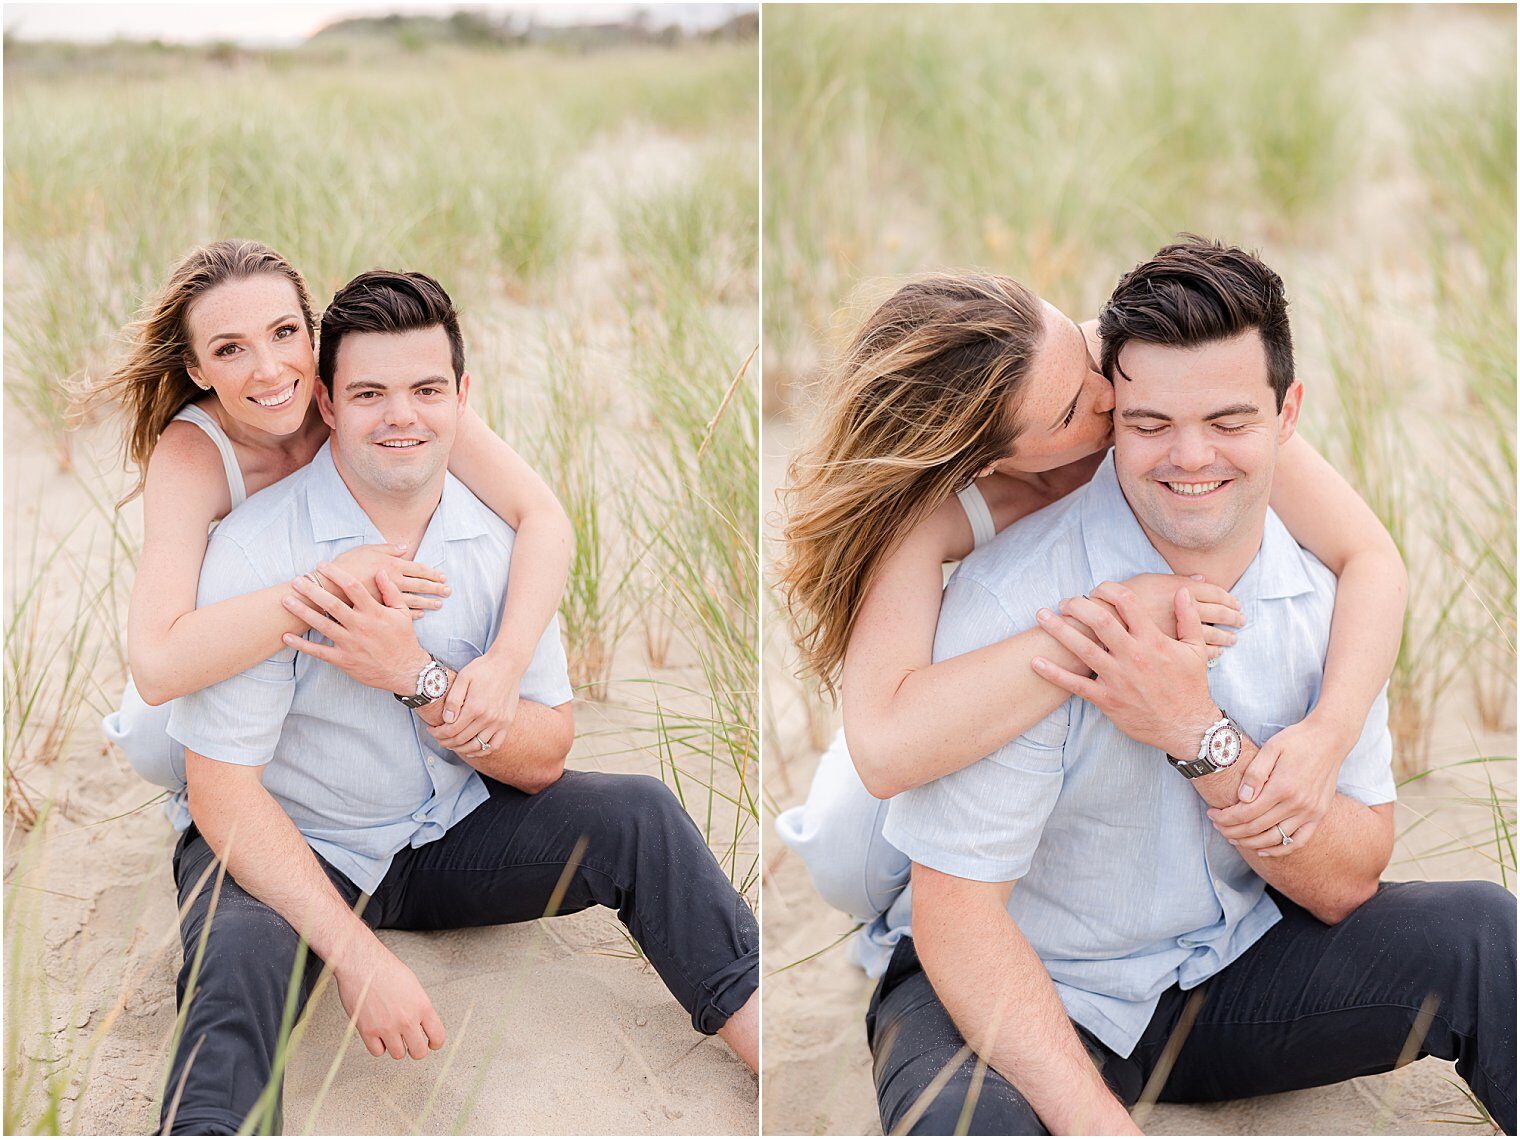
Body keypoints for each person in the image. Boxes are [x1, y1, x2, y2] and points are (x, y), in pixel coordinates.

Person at [863, 238, 1514, 1135]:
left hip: (1219, 975)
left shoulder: (1318, 593)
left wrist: (1196, 731)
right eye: (1149, 423)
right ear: (1112, 420)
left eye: (1230, 421)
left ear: (1289, 415)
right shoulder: (1008, 594)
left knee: (1486, 933)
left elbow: (1345, 881)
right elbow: (956, 914)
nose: (1191, 455)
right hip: (1016, 985)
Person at [156, 269, 759, 1135]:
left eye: (427, 390)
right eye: (369, 393)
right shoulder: (258, 553)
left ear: (461, 398)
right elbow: (222, 794)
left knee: (639, 814)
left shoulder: (498, 540)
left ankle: (765, 1041)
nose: (402, 416)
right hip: (297, 841)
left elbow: (545, 751)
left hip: (443, 839)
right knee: (236, 956)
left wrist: (417, 677)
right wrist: (359, 961)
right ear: (327, 403)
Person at [773, 265, 1407, 973]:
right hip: (900, 702)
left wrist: (1330, 730)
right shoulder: (926, 516)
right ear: (988, 461)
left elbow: (1372, 558)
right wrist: (1109, 621)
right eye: (1072, 411)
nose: (1113, 394)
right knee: (846, 858)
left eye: (1082, 356)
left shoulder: (1163, 388)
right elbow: (886, 751)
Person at [87, 240, 572, 821]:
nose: (269, 369)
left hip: (331, 667)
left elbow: (543, 518)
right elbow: (158, 665)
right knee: (155, 742)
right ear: (198, 370)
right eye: (230, 348)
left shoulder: (376, 396)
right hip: (221, 648)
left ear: (311, 335)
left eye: (284, 332)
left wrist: (508, 661)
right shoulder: (193, 455)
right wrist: (329, 587)